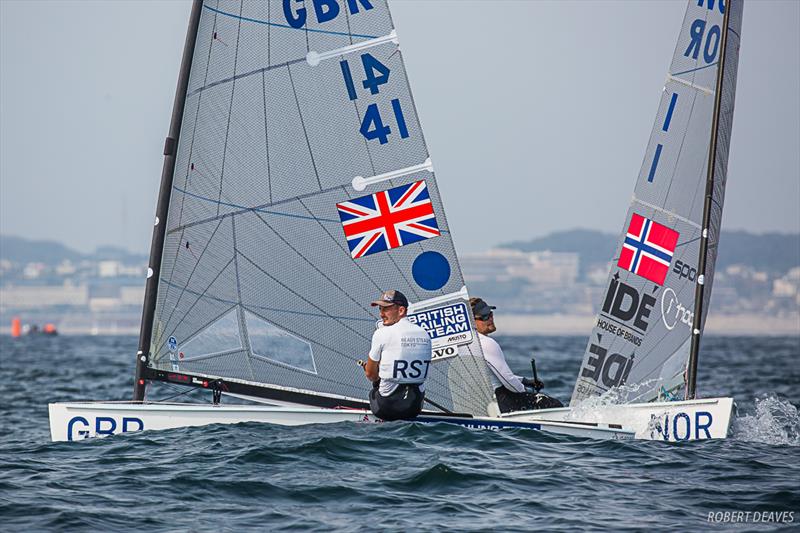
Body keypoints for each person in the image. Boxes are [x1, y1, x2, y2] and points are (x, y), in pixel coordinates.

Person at [470, 297, 563, 413]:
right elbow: (508, 382)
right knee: (555, 405)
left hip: (483, 403)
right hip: (503, 401)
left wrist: (524, 380)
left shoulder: (468, 344)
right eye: (484, 317)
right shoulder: (486, 343)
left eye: (490, 314)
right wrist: (527, 393)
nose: (490, 318)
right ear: (471, 322)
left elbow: (493, 376)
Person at [363, 290, 432, 421]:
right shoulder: (425, 334)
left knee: (374, 389)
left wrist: (376, 375)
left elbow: (370, 375)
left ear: (401, 311)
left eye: (386, 309)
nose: (381, 314)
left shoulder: (381, 333)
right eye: (380, 309)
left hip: (385, 408)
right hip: (415, 407)